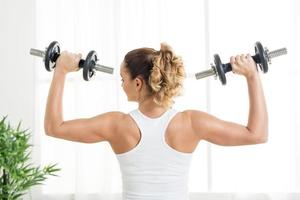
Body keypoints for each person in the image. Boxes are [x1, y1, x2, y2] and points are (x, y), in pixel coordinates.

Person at [44, 43, 268, 200]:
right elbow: (257, 134)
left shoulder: (117, 125)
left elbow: (54, 127)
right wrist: (252, 75)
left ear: (138, 83)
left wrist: (61, 71)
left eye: (124, 79)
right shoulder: (190, 123)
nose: (122, 85)